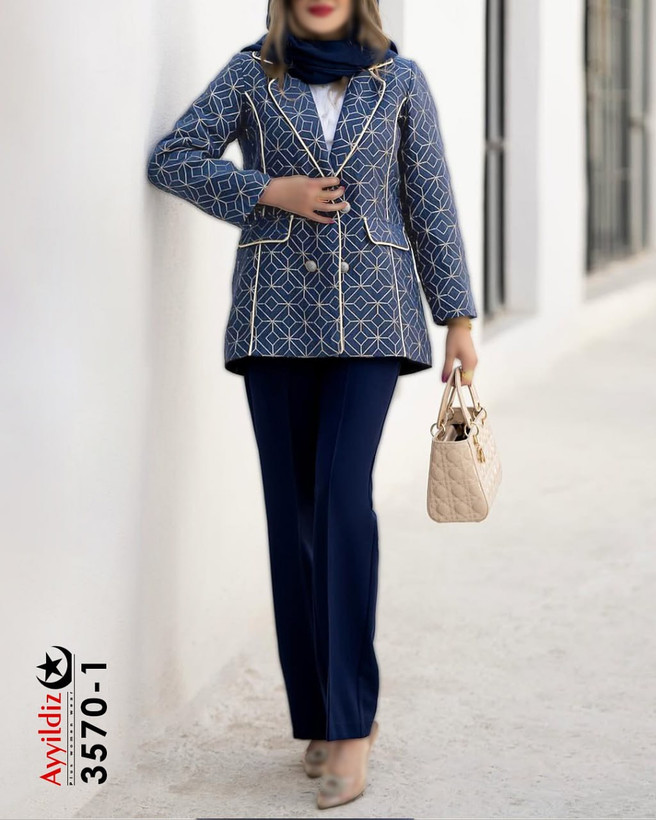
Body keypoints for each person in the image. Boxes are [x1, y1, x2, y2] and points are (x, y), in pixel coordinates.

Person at [147, 0, 479, 809]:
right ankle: (320, 718)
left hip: (375, 319)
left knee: (339, 504)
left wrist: (458, 319)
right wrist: (269, 189)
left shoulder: (399, 80)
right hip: (274, 320)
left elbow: (429, 199)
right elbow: (173, 159)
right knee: (293, 515)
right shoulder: (252, 73)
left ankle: (352, 725)